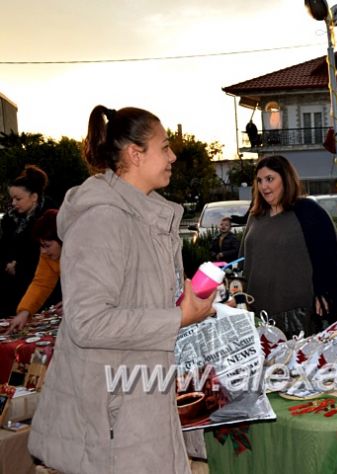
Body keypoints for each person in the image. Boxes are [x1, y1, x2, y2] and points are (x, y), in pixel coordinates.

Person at [28, 105, 215, 473]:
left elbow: (139, 303)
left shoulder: (148, 219)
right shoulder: (102, 220)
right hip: (110, 420)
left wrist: (188, 305)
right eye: (164, 147)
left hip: (141, 401)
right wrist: (177, 316)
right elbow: (88, 321)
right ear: (135, 154)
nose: (173, 156)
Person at [239, 155, 337, 338]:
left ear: (285, 179)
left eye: (270, 179)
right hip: (257, 315)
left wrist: (325, 294)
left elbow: (330, 257)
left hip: (299, 317)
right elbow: (244, 259)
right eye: (259, 181)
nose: (264, 186)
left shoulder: (308, 212)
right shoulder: (255, 216)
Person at [0, 164, 52, 317]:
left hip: (38, 287)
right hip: (10, 284)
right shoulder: (9, 220)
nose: (14, 203)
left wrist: (19, 265)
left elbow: (48, 254)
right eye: (12, 199)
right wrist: (6, 263)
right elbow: (3, 246)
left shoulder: (50, 219)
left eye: (18, 199)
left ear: (34, 197)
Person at [4, 209, 62, 333]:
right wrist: (25, 311)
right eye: (41, 246)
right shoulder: (48, 255)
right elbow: (41, 283)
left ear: (63, 240)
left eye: (47, 245)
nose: (43, 251)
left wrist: (76, 300)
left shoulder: (87, 251)